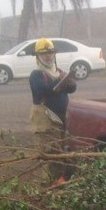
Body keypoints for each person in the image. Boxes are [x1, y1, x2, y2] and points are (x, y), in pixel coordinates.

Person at [28, 38, 76, 183]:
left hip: (61, 119)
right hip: (46, 120)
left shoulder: (58, 71)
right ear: (38, 56)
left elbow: (72, 89)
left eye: (50, 53)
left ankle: (59, 182)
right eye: (44, 54)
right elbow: (43, 90)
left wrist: (69, 81)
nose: (48, 56)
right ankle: (47, 185)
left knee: (61, 152)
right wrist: (60, 80)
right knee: (48, 154)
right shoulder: (36, 74)